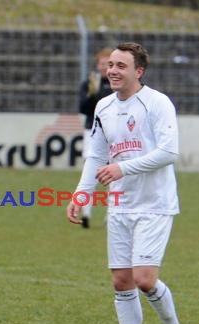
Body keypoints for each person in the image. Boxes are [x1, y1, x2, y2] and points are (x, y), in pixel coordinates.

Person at [66, 42, 187, 324]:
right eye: (111, 65)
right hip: (120, 204)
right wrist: (82, 194)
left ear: (139, 71)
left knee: (145, 279)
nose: (113, 71)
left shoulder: (157, 103)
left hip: (155, 203)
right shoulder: (104, 106)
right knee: (122, 281)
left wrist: (123, 168)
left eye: (121, 65)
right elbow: (96, 155)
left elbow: (169, 152)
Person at [78, 47, 114, 229]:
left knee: (112, 174)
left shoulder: (119, 85)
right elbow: (83, 109)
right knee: (90, 170)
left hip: (114, 134)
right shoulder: (90, 83)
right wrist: (92, 94)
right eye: (102, 63)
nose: (104, 67)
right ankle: (86, 214)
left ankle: (111, 214)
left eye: (108, 64)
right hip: (92, 131)